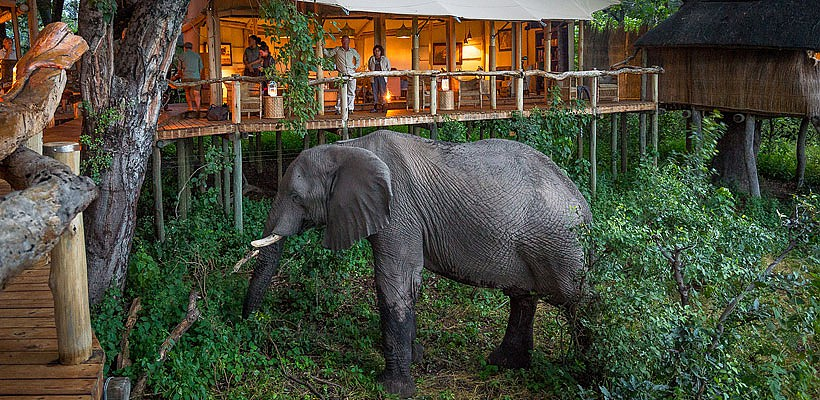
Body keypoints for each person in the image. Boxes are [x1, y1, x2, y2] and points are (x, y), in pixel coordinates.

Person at [324, 35, 360, 114]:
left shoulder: (352, 51)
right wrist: (322, 48)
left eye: (346, 41)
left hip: (351, 73)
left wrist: (355, 67)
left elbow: (358, 58)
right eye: (343, 41)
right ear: (341, 41)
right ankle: (338, 108)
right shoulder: (337, 49)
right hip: (342, 73)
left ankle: (350, 108)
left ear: (349, 41)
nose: (345, 42)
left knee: (351, 91)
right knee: (341, 92)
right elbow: (329, 54)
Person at [178, 42, 204, 115]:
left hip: (186, 77)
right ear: (192, 48)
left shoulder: (181, 56)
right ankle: (198, 109)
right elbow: (201, 68)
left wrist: (180, 75)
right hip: (196, 77)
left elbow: (179, 69)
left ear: (184, 48)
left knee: (187, 92)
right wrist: (199, 76)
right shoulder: (197, 56)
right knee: (197, 93)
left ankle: (190, 107)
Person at [367, 44, 390, 112]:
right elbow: (369, 66)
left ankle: (383, 106)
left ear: (381, 52)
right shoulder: (372, 59)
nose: (377, 52)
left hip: (382, 77)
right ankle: (375, 107)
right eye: (375, 51)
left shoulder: (384, 59)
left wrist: (384, 73)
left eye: (378, 51)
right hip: (374, 77)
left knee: (383, 92)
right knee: (375, 92)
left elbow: (388, 67)